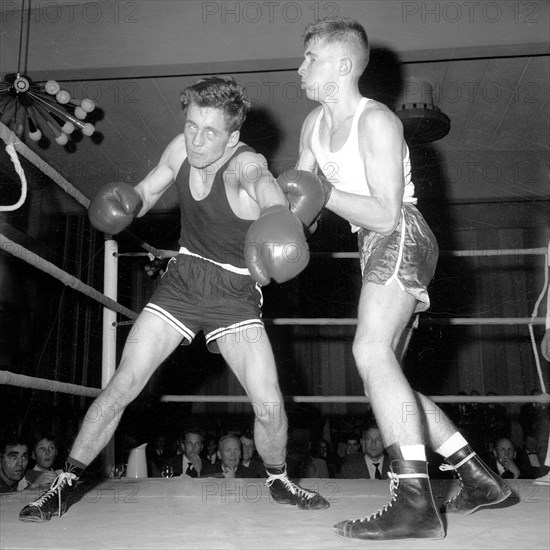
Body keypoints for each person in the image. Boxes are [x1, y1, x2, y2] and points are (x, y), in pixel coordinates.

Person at [19, 75, 329, 522]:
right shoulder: (180, 149)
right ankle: (62, 486)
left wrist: (278, 213)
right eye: (191, 125)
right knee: (122, 384)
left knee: (269, 403)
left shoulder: (246, 163)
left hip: (234, 291)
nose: (197, 140)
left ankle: (279, 479)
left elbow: (262, 185)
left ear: (232, 136)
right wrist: (129, 200)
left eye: (210, 132)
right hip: (182, 281)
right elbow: (145, 193)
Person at [295, 16, 510, 540]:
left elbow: (388, 213)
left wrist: (318, 193)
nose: (299, 68)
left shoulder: (377, 122)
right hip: (373, 244)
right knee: (390, 376)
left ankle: (414, 501)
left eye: (310, 59)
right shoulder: (311, 125)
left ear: (342, 66)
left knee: (368, 353)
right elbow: (302, 205)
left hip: (401, 234)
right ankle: (477, 477)